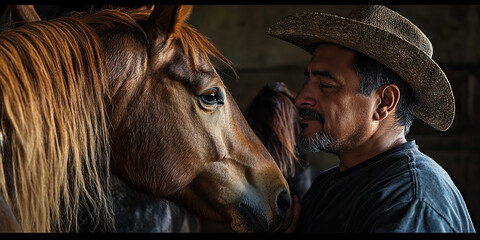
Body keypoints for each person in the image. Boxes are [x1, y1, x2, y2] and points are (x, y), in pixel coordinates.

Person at [268, 5, 476, 232]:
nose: (300, 99)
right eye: (308, 80)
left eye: (326, 85)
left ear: (384, 102)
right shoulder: (328, 185)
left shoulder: (409, 202)